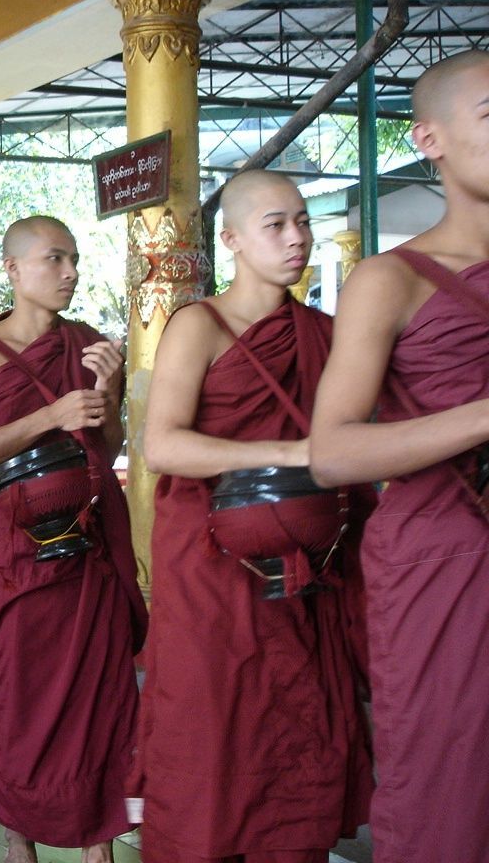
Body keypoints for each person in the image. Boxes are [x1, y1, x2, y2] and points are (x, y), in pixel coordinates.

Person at [137, 172, 374, 863]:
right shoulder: (199, 325)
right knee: (218, 726)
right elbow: (163, 443)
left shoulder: (325, 334)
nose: (297, 237)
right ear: (233, 239)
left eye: (302, 221)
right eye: (276, 224)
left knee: (302, 727)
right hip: (214, 569)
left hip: (312, 566)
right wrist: (296, 452)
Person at [310, 50, 489, 863]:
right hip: (447, 558)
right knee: (453, 793)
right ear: (430, 138)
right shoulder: (393, 279)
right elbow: (333, 451)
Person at [0, 216, 146, 863]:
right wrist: (49, 416)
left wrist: (107, 394)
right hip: (16, 554)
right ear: (13, 269)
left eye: (75, 260)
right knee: (17, 695)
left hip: (88, 549)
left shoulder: (86, 344)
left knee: (103, 693)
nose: (70, 273)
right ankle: (19, 839)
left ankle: (100, 847)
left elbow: (105, 445)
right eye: (54, 259)